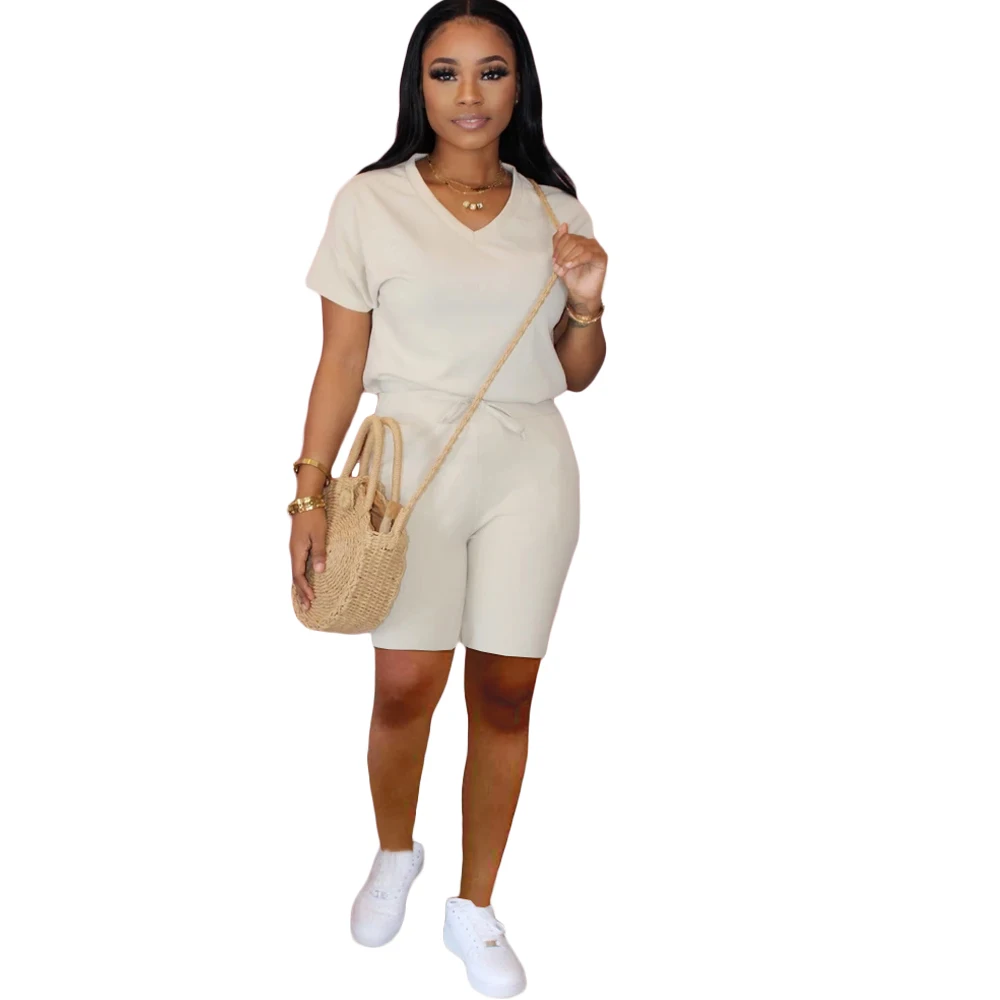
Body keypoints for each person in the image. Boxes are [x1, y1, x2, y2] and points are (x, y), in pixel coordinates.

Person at [290, 4, 606, 996]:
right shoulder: (369, 202)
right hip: (406, 467)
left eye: (491, 71)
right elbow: (342, 358)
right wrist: (307, 494)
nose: (469, 94)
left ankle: (474, 905)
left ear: (519, 85)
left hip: (529, 466)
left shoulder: (556, 208)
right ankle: (396, 852)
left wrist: (587, 302)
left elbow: (577, 371)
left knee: (506, 691)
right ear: (417, 85)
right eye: (445, 72)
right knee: (404, 684)